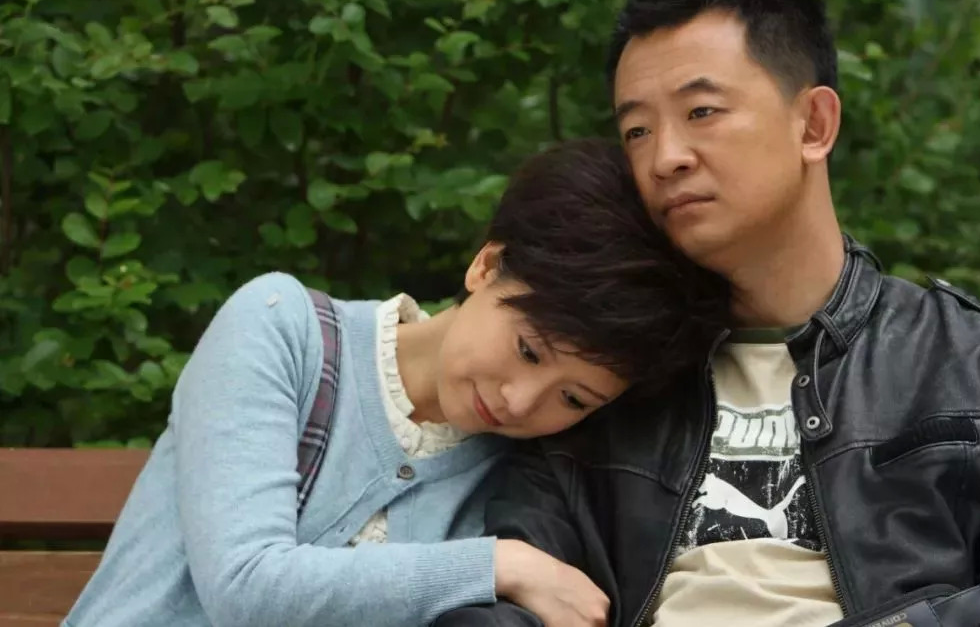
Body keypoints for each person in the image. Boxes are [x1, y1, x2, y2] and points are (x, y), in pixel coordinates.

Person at [433, 0, 980, 626]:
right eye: (636, 130)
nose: (665, 158)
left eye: (701, 112)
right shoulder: (600, 373)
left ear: (814, 124)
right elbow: (515, 597)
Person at [62, 138, 730, 627]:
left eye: (574, 398)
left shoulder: (522, 479)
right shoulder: (282, 328)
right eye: (528, 350)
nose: (521, 401)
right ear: (487, 265)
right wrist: (498, 565)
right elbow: (245, 586)